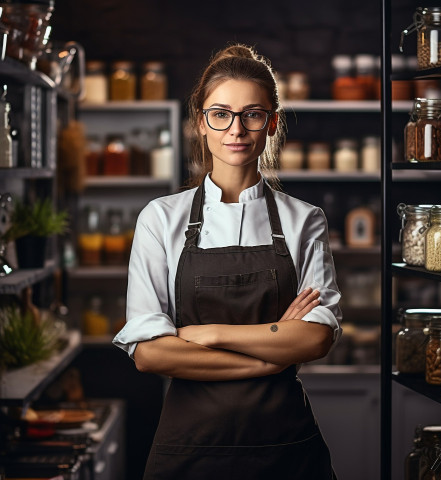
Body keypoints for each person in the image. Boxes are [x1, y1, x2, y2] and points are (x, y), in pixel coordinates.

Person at [113, 43, 342, 480]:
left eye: (252, 114)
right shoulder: (161, 219)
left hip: (286, 448)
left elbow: (315, 340)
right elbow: (149, 353)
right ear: (201, 122)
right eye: (221, 114)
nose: (236, 130)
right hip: (189, 447)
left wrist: (207, 334)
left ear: (272, 123)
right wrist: (271, 359)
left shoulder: (304, 220)